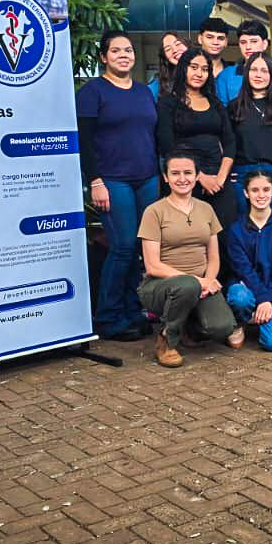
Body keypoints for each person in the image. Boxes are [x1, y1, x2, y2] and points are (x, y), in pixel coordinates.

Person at [77, 30, 159, 341]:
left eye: (127, 50)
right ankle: (108, 317)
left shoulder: (142, 92)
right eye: (116, 51)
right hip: (112, 180)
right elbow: (84, 143)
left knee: (139, 248)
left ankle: (131, 311)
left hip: (147, 177)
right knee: (122, 246)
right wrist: (95, 181)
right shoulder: (92, 92)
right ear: (103, 56)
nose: (124, 55)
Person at [137, 151, 244, 365]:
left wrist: (208, 281)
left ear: (196, 176)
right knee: (186, 286)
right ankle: (167, 340)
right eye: (175, 173)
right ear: (166, 177)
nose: (182, 178)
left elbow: (213, 257)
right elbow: (152, 266)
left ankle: (188, 327)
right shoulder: (154, 211)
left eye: (188, 172)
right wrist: (196, 281)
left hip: (200, 284)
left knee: (221, 327)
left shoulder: (206, 209)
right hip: (161, 286)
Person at [157, 46, 237, 226]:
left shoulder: (215, 103)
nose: (199, 73)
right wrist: (200, 177)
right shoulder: (168, 103)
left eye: (205, 69)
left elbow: (230, 142)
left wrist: (220, 178)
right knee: (190, 235)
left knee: (225, 235)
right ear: (183, 68)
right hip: (184, 179)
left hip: (218, 179)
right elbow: (167, 146)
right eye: (194, 67)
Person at [224, 169, 272, 352]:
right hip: (246, 286)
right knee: (240, 297)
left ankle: (259, 317)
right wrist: (262, 299)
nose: (260, 195)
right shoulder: (235, 229)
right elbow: (243, 270)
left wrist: (269, 300)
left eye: (265, 189)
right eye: (254, 190)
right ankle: (240, 320)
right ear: (246, 193)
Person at [229, 53, 272, 215]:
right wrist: (227, 174)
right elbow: (225, 143)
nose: (258, 75)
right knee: (243, 227)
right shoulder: (234, 107)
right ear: (247, 74)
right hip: (242, 175)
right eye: (254, 70)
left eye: (264, 70)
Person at [214, 18, 272, 105]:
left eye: (254, 41)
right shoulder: (226, 75)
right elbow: (222, 112)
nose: (248, 46)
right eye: (243, 42)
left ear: (265, 44)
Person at [150, 31, 189, 96]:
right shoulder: (157, 83)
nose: (175, 50)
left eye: (177, 44)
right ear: (165, 58)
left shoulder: (205, 73)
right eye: (168, 49)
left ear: (187, 45)